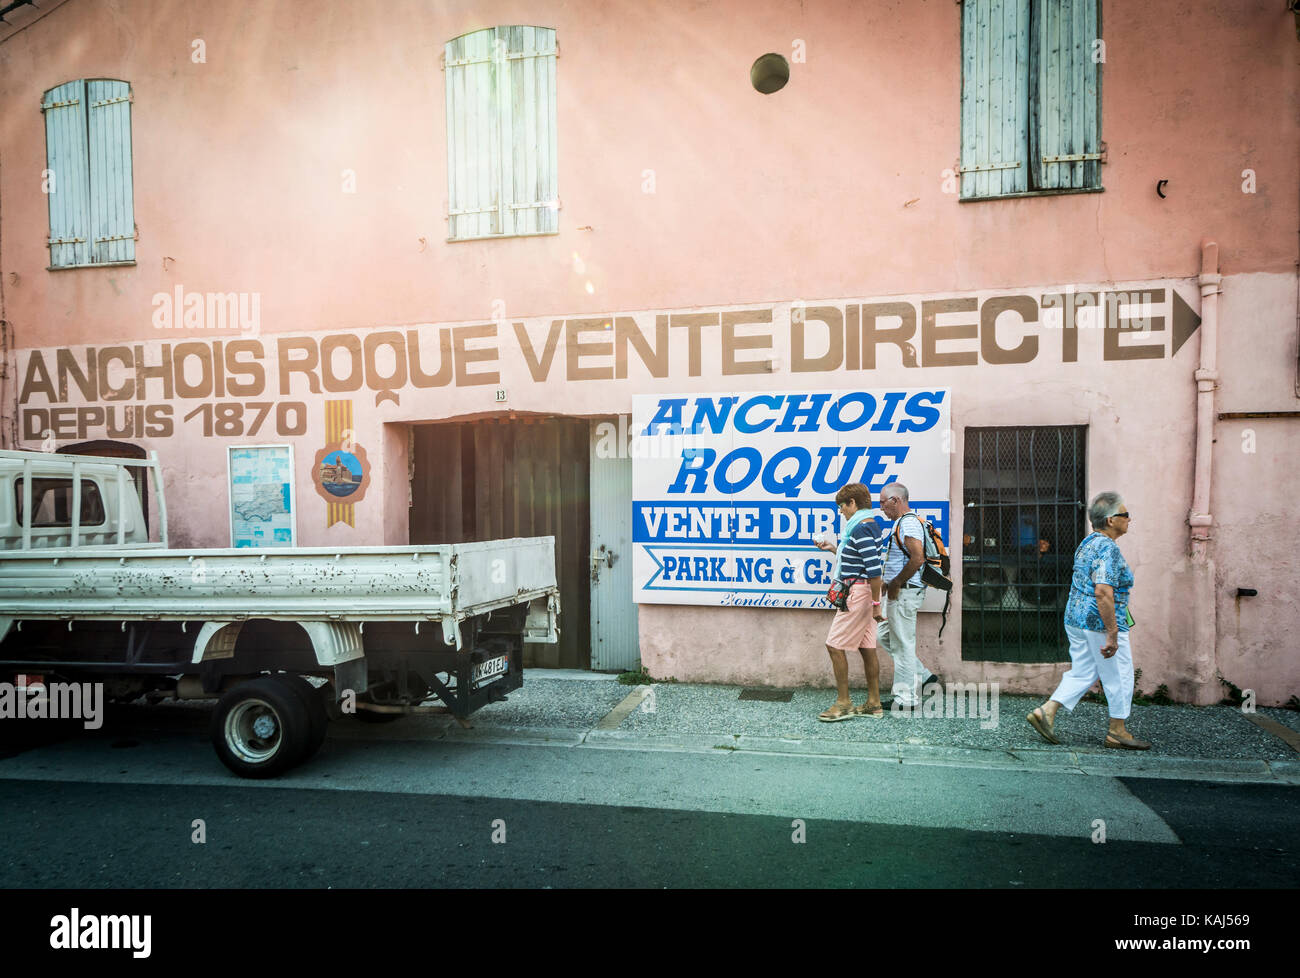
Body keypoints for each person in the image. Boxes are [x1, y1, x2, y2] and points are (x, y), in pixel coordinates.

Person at [1026, 491, 1150, 749]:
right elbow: (1103, 591)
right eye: (1125, 515)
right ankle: (1117, 730)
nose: (1130, 519)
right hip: (1098, 622)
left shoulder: (1088, 543)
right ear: (1111, 520)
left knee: (1084, 670)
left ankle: (1046, 712)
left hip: (1075, 618)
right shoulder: (1108, 549)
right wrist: (1113, 633)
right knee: (1119, 673)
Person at [814, 483, 886, 721]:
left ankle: (843, 703)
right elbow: (861, 561)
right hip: (865, 593)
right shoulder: (870, 525)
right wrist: (835, 549)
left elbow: (874, 571)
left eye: (842, 506)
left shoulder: (859, 530)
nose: (841, 511)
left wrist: (876, 606)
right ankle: (874, 703)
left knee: (834, 645)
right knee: (867, 649)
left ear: (853, 503)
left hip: (859, 594)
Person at [878, 482, 939, 711]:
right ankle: (923, 676)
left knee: (902, 645)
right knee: (884, 634)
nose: (882, 508)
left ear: (896, 500)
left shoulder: (909, 524)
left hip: (904, 593)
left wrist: (896, 583)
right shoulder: (902, 523)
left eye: (883, 503)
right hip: (899, 592)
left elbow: (917, 559)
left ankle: (906, 699)